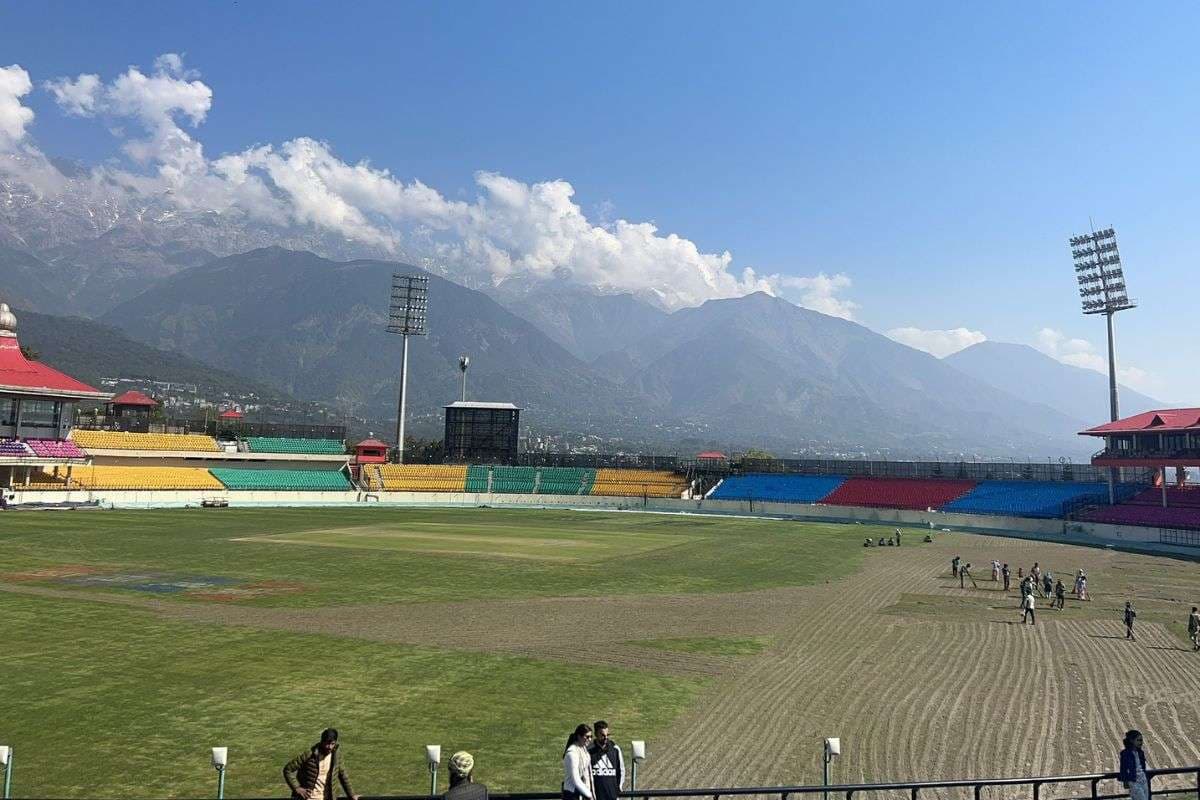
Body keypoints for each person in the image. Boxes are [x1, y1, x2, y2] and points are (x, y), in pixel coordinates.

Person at [283, 728, 359, 800]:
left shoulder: (336, 756)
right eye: (327, 743)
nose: (329, 747)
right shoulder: (309, 755)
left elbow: (343, 775)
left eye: (332, 744)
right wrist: (297, 788)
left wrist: (351, 795)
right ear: (322, 741)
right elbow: (288, 769)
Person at [589, 721, 625, 800]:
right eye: (602, 735)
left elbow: (621, 769)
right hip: (595, 796)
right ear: (596, 734)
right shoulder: (588, 750)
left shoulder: (615, 749)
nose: (606, 737)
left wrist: (619, 786)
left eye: (607, 735)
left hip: (612, 795)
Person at [562, 724, 595, 800]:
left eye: (591, 737)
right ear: (579, 736)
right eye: (587, 737)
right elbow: (575, 779)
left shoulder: (584, 749)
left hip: (580, 792)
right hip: (571, 794)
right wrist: (589, 795)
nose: (590, 739)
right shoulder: (572, 753)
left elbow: (586, 773)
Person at [1118, 729, 1149, 800]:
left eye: (1141, 740)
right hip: (1133, 781)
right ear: (1132, 740)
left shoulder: (1140, 752)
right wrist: (1125, 780)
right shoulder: (1125, 753)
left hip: (1143, 779)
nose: (1141, 742)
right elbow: (1123, 768)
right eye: (1138, 740)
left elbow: (1142, 767)